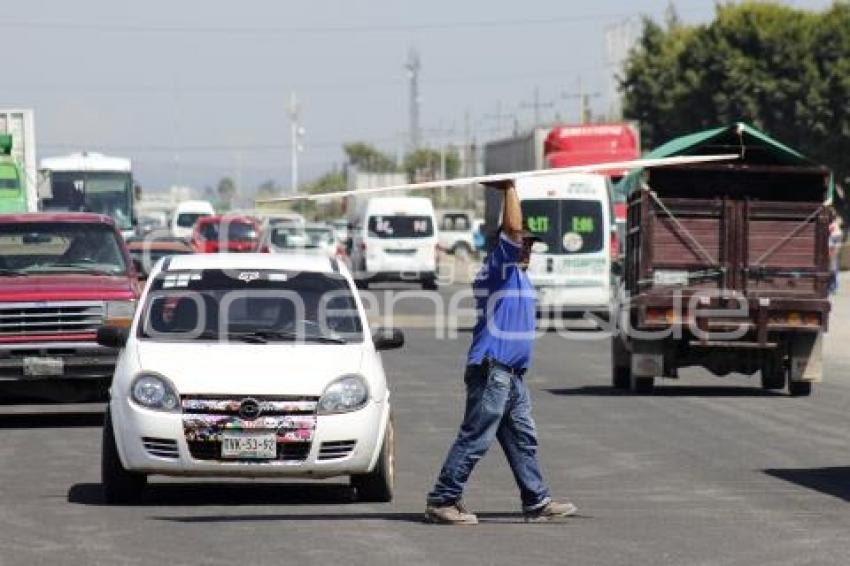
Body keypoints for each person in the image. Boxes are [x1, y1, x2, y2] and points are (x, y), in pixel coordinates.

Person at [425, 179, 577, 525]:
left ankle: (536, 501)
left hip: (511, 376)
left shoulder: (521, 277)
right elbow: (511, 228)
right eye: (521, 244)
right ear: (505, 246)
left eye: (530, 246)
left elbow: (514, 232)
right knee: (476, 437)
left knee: (523, 439)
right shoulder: (498, 270)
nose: (526, 250)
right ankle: (442, 500)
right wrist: (510, 189)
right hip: (492, 371)